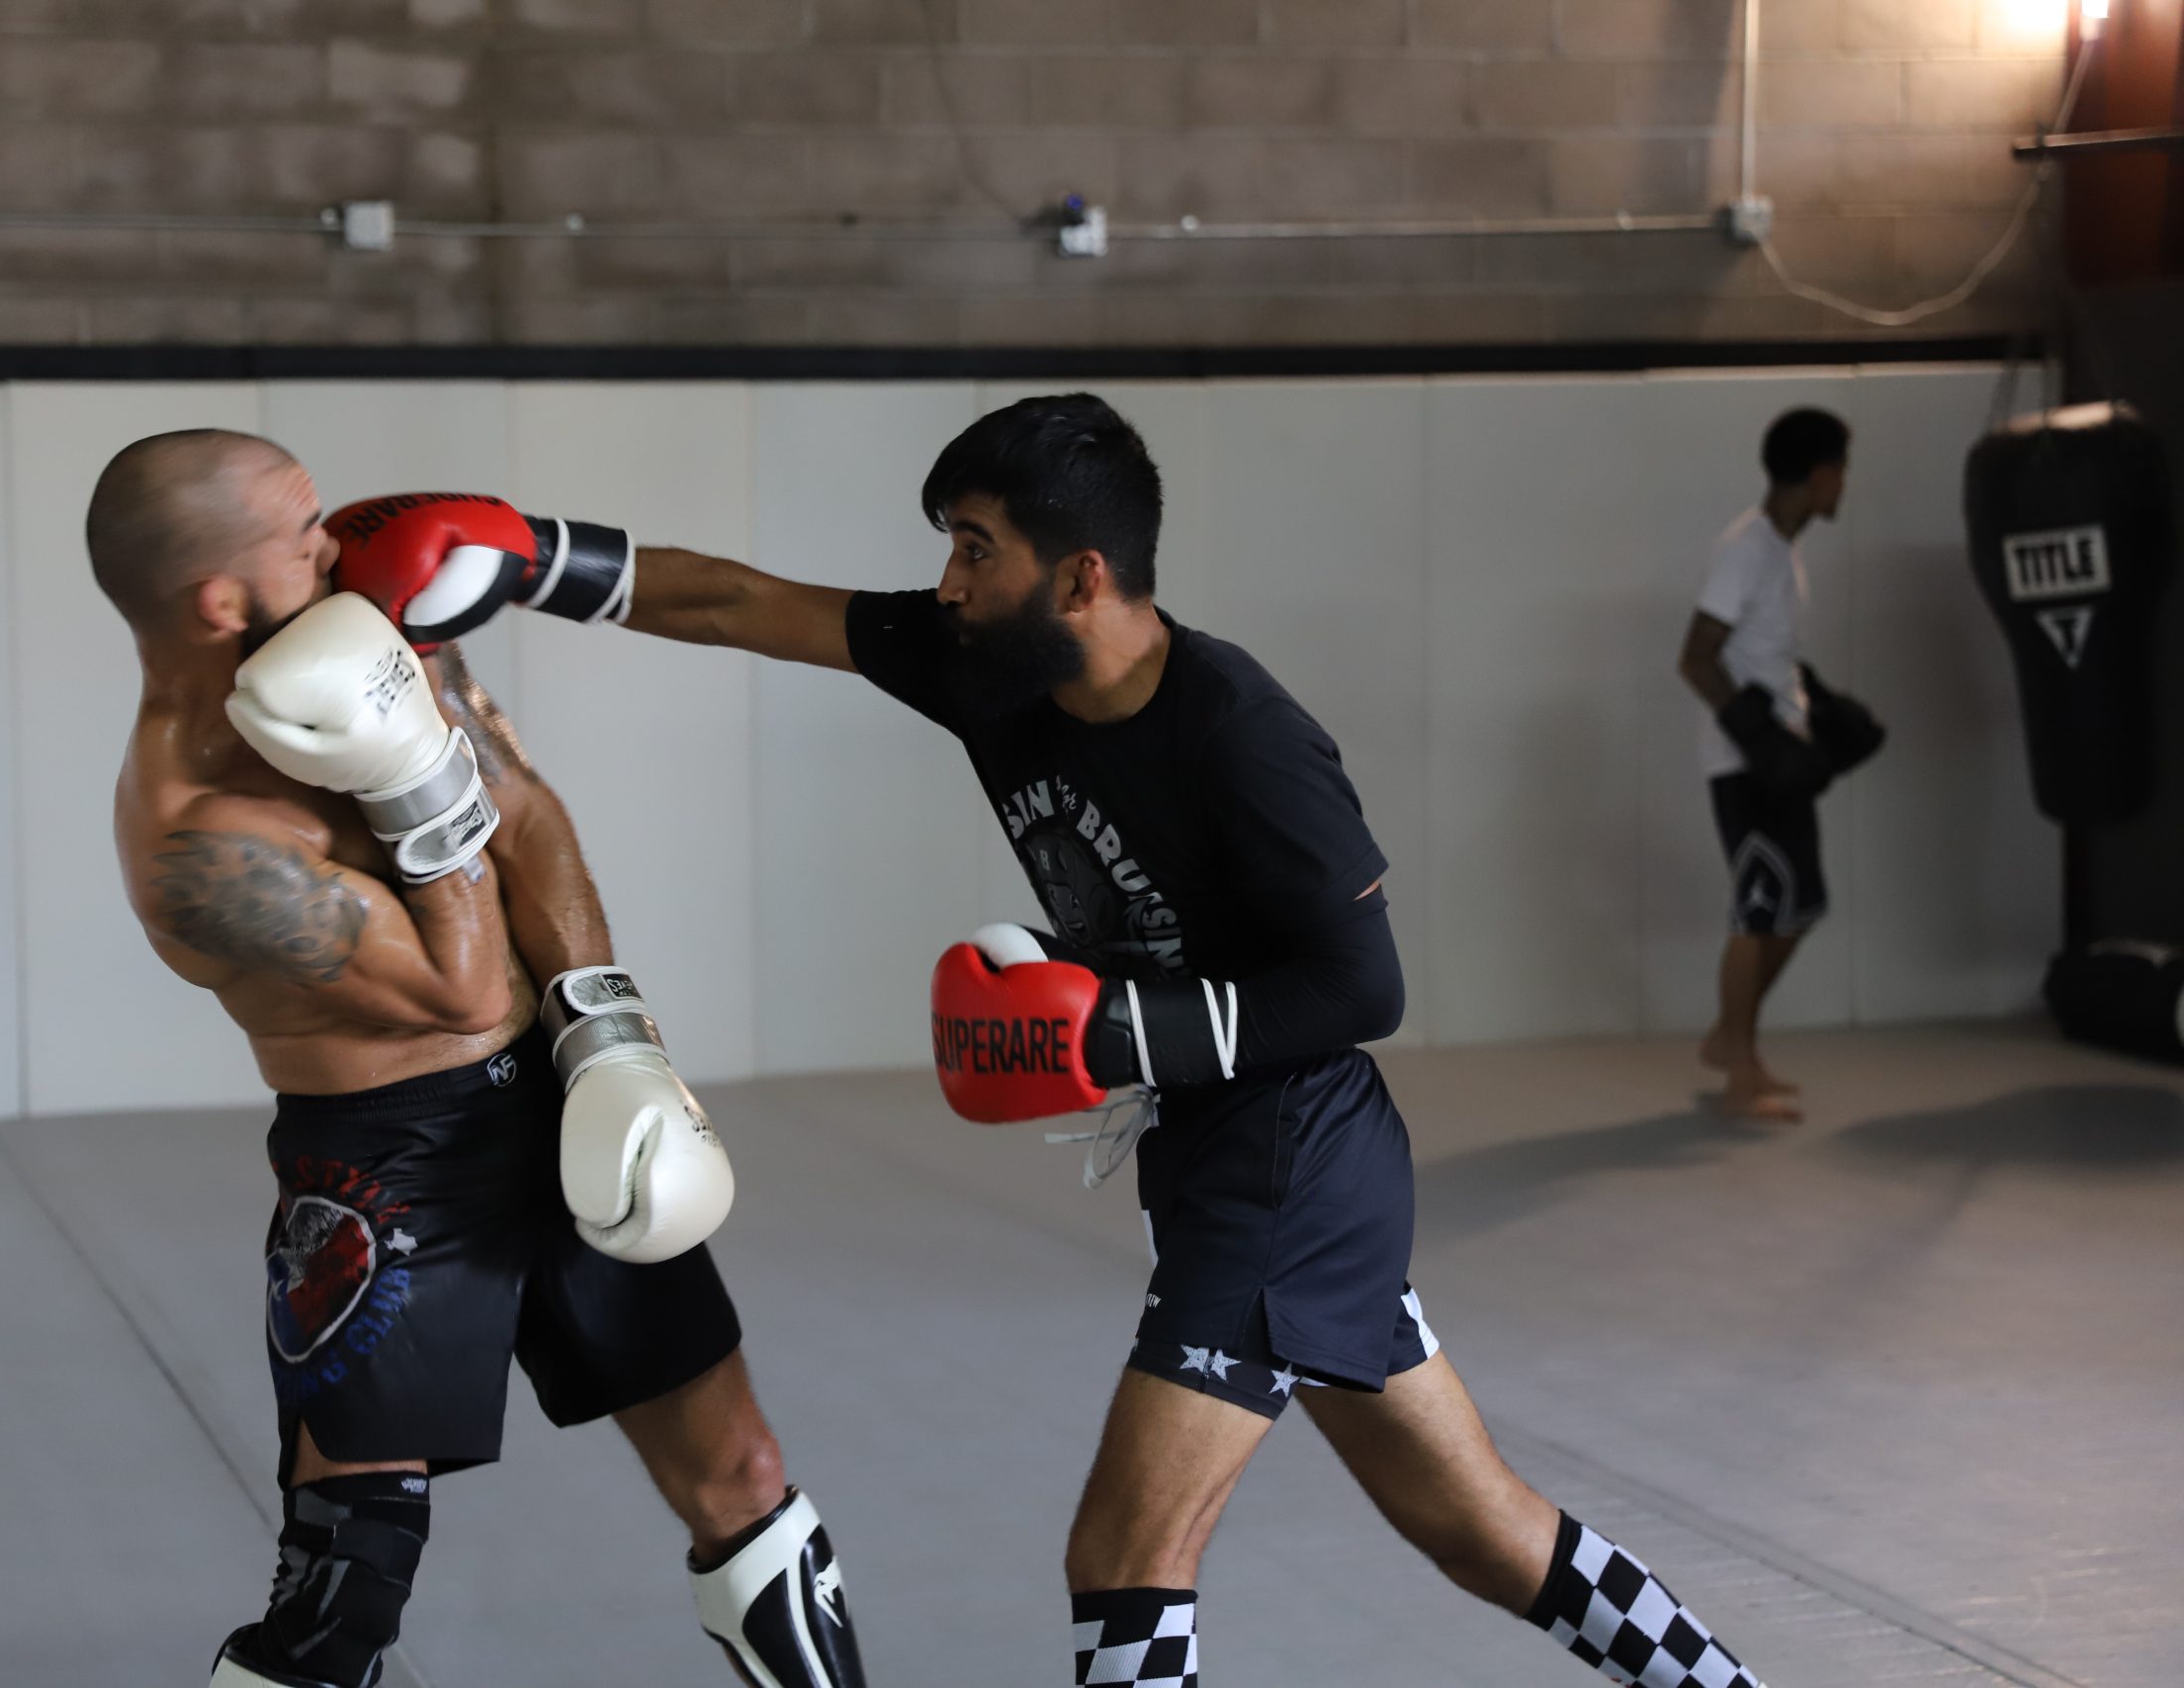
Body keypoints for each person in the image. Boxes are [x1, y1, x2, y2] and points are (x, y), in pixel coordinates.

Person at [367, 396, 1772, 1688]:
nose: (952, 581)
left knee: (1122, 1557)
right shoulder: (985, 665)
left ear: (1083, 575)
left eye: (979, 548)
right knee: (1481, 1526)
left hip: (1294, 1159)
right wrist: (527, 549)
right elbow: (739, 602)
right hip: (1218, 1148)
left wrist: (1122, 1025)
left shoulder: (1243, 733)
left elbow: (1363, 984)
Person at [87, 430, 865, 1688]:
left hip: (555, 1092)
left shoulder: (362, 633)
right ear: (216, 600)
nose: (336, 545)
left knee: (744, 1478)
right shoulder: (193, 842)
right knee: (344, 1586)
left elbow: (535, 816)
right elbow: (450, 982)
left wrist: (607, 1031)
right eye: (298, 536)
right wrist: (409, 778)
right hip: (389, 1163)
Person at [1675, 406, 1852, 1124]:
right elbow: (1696, 655)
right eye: (1843, 469)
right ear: (1819, 474)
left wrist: (1820, 711)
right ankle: (1740, 1070)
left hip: (1780, 762)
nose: (1845, 484)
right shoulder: (1746, 548)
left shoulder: (1783, 551)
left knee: (1800, 904)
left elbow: (1765, 657)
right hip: (1746, 767)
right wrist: (1759, 739)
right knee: (1758, 910)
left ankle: (1729, 1036)